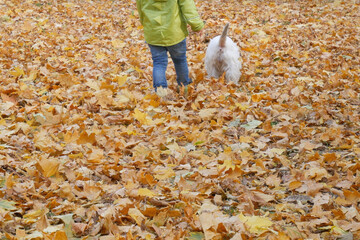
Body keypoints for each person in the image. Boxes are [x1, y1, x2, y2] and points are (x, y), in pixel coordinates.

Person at [136, 0, 204, 97]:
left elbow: (140, 9)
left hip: (154, 33)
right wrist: (197, 26)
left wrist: (145, 24)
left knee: (159, 63)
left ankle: (160, 90)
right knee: (180, 60)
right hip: (175, 33)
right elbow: (188, 6)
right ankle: (183, 87)